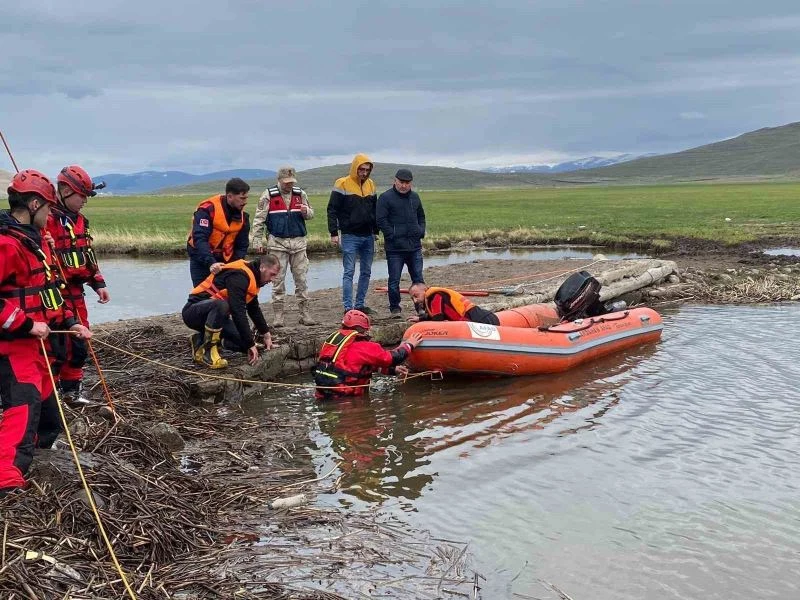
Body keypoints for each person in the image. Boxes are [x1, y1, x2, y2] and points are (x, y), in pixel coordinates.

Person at [0, 170, 92, 496]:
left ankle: (35, 464)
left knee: (50, 421)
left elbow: (50, 294)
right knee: (21, 414)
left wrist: (71, 322)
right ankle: (6, 480)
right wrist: (26, 324)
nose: (51, 214)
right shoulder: (7, 245)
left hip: (37, 350)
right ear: (34, 204)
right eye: (49, 207)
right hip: (13, 349)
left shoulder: (36, 242)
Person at [45, 165, 109, 404]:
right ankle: (52, 393)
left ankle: (72, 391)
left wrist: (98, 283)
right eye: (81, 195)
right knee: (56, 346)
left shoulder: (81, 221)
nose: (84, 201)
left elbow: (87, 256)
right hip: (53, 294)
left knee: (80, 342)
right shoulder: (46, 220)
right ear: (65, 191)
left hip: (76, 293)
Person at [181, 254, 280, 369]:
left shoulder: (253, 278)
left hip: (217, 319)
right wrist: (250, 343)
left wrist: (266, 335)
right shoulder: (239, 276)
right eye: (272, 274)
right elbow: (238, 311)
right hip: (193, 313)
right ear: (262, 268)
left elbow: (254, 309)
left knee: (247, 344)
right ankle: (206, 352)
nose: (272, 280)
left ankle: (200, 340)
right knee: (221, 305)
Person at [250, 166, 316, 327]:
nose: (289, 185)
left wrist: (306, 211)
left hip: (299, 244)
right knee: (277, 281)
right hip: (277, 245)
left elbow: (311, 214)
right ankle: (278, 316)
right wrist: (256, 241)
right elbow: (259, 220)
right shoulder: (268, 195)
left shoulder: (301, 194)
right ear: (279, 180)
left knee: (301, 280)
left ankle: (305, 314)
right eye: (286, 182)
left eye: (291, 182)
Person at [313, 309, 422, 400]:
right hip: (346, 400)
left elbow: (354, 366)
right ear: (365, 330)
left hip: (323, 395)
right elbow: (393, 358)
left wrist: (392, 370)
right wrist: (409, 345)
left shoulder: (333, 343)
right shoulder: (365, 347)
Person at [327, 154, 378, 315]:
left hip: (368, 236)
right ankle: (348, 307)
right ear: (355, 168)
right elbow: (332, 209)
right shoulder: (342, 183)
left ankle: (360, 304)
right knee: (349, 271)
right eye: (361, 169)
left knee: (366, 272)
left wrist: (376, 231)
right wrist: (334, 232)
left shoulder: (371, 184)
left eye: (367, 170)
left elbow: (374, 210)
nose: (364, 173)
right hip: (349, 235)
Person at [376, 168, 426, 318]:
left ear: (411, 183)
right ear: (395, 181)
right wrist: (392, 235)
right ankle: (395, 309)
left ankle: (421, 308)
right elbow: (381, 220)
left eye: (407, 183)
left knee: (418, 280)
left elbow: (421, 216)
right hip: (395, 249)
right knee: (394, 281)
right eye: (401, 182)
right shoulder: (385, 198)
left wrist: (420, 231)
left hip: (414, 247)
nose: (404, 185)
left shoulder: (415, 197)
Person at [186, 177, 251, 286]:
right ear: (230, 196)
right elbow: (200, 238)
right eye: (242, 198)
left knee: (226, 293)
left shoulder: (243, 217)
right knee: (201, 293)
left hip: (225, 261)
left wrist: (234, 265)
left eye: (246, 198)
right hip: (201, 258)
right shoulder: (207, 210)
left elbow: (242, 246)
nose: (245, 202)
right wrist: (211, 263)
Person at [407, 283, 500, 325]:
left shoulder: (435, 296)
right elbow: (436, 315)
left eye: (416, 296)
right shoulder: (433, 297)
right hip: (484, 317)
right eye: (412, 299)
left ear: (425, 290)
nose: (415, 301)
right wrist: (420, 318)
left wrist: (422, 322)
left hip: (482, 320)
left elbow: (438, 318)